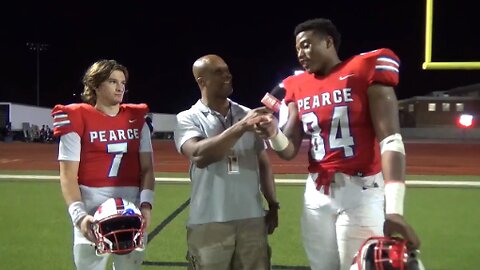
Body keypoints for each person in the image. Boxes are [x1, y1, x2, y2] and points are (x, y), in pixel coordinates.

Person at [255, 18, 420, 270]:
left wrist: (394, 209)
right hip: (317, 194)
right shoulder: (297, 86)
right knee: (321, 267)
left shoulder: (363, 69)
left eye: (307, 45)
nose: (301, 53)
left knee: (357, 266)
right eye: (298, 48)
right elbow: (288, 149)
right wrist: (272, 131)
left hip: (360, 191)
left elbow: (391, 141)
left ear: (328, 42)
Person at [174, 54, 279, 270]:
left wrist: (273, 205)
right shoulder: (188, 117)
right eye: (218, 72)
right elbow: (199, 156)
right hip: (209, 221)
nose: (227, 75)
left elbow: (263, 163)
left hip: (252, 219)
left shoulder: (246, 113)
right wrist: (241, 127)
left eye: (227, 70)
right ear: (202, 81)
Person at [51, 59, 155, 270]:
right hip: (91, 205)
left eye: (123, 82)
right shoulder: (77, 117)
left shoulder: (136, 119)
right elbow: (68, 175)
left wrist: (146, 205)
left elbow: (147, 169)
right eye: (112, 81)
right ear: (96, 86)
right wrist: (79, 217)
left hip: (131, 208)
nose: (120, 87)